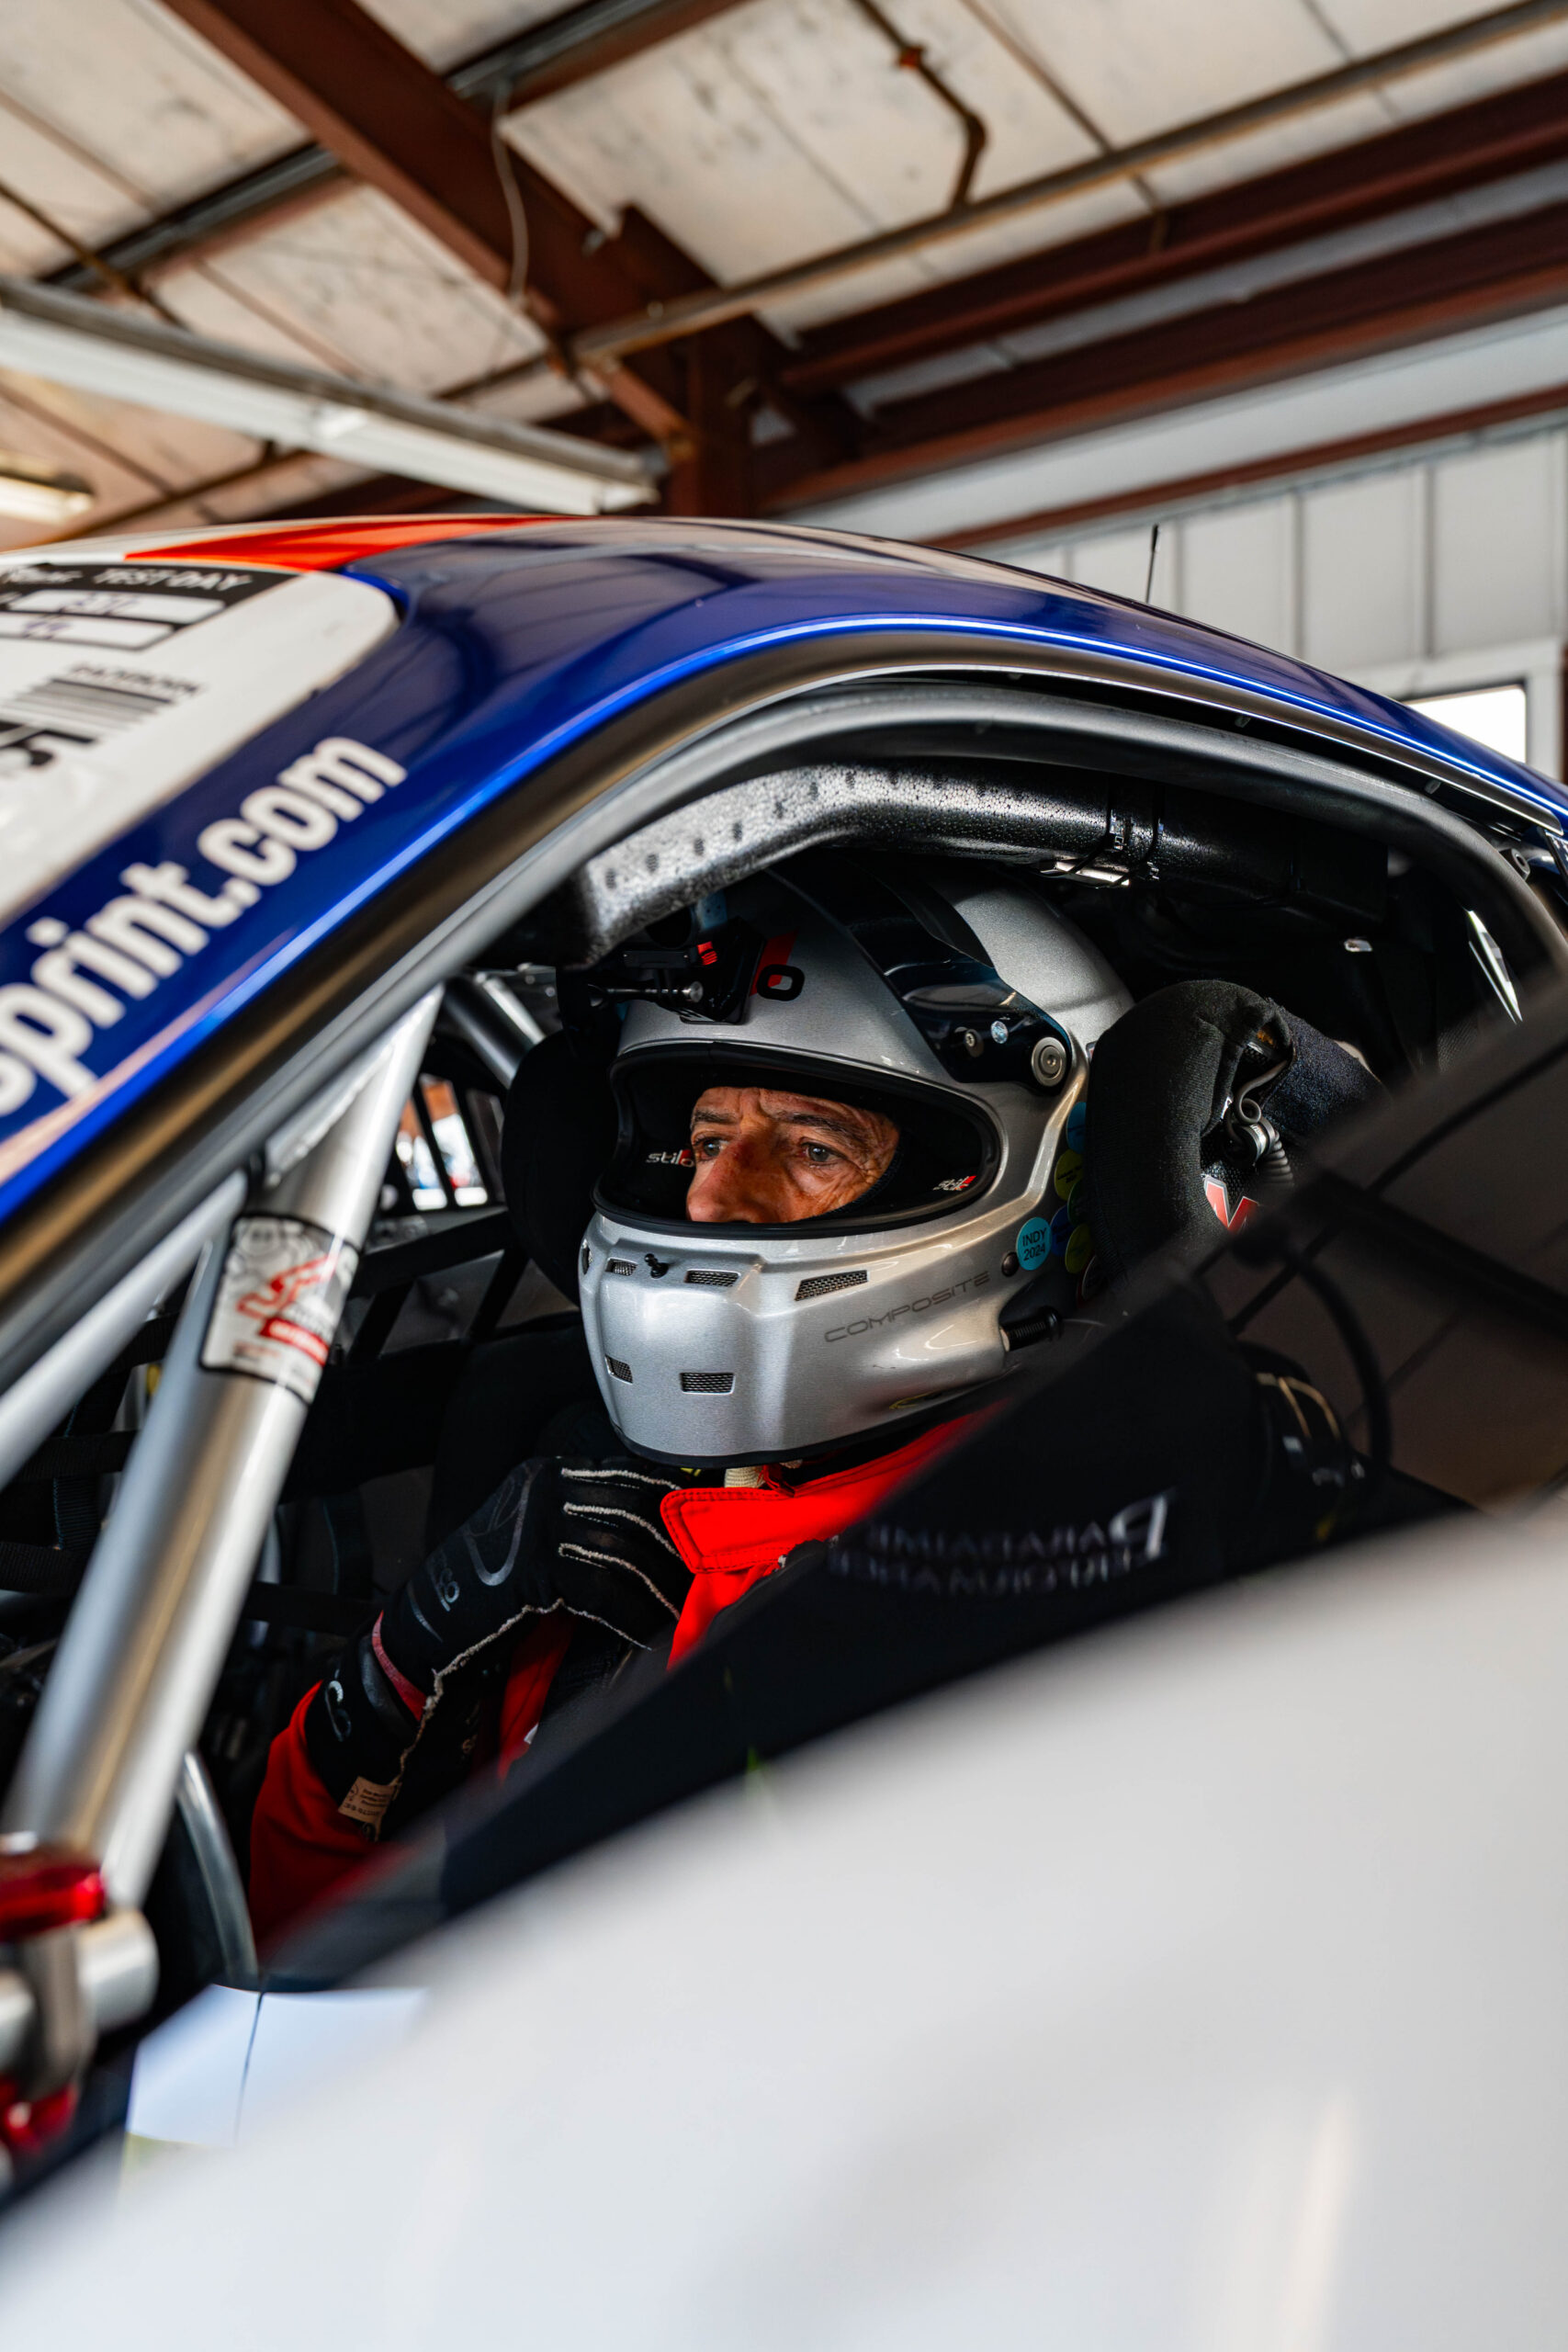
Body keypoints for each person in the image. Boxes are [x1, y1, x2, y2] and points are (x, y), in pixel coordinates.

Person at [254, 854, 1373, 1948]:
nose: (709, 1194)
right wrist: (401, 1667)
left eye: (812, 1147)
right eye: (704, 1137)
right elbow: (287, 1972)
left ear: (1033, 1180)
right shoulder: (590, 1532)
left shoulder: (1102, 1572)